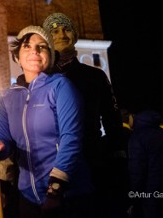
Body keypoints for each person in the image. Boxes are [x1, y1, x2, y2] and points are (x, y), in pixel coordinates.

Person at [0, 25, 92, 218]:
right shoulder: (7, 97)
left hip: (66, 194)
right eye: (27, 46)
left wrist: (55, 188)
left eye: (42, 47)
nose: (34, 50)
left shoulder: (61, 87)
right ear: (17, 57)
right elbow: (6, 143)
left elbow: (71, 138)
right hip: (28, 197)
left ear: (50, 56)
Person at [42, 12, 127, 217]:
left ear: (75, 35)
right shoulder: (40, 78)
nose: (61, 34)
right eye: (54, 31)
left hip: (90, 161)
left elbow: (112, 119)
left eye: (66, 29)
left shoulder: (94, 76)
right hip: (49, 166)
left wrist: (115, 155)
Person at [127, 109, 163, 218]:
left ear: (134, 116)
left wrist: (135, 199)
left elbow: (137, 171)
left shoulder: (137, 137)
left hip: (149, 193)